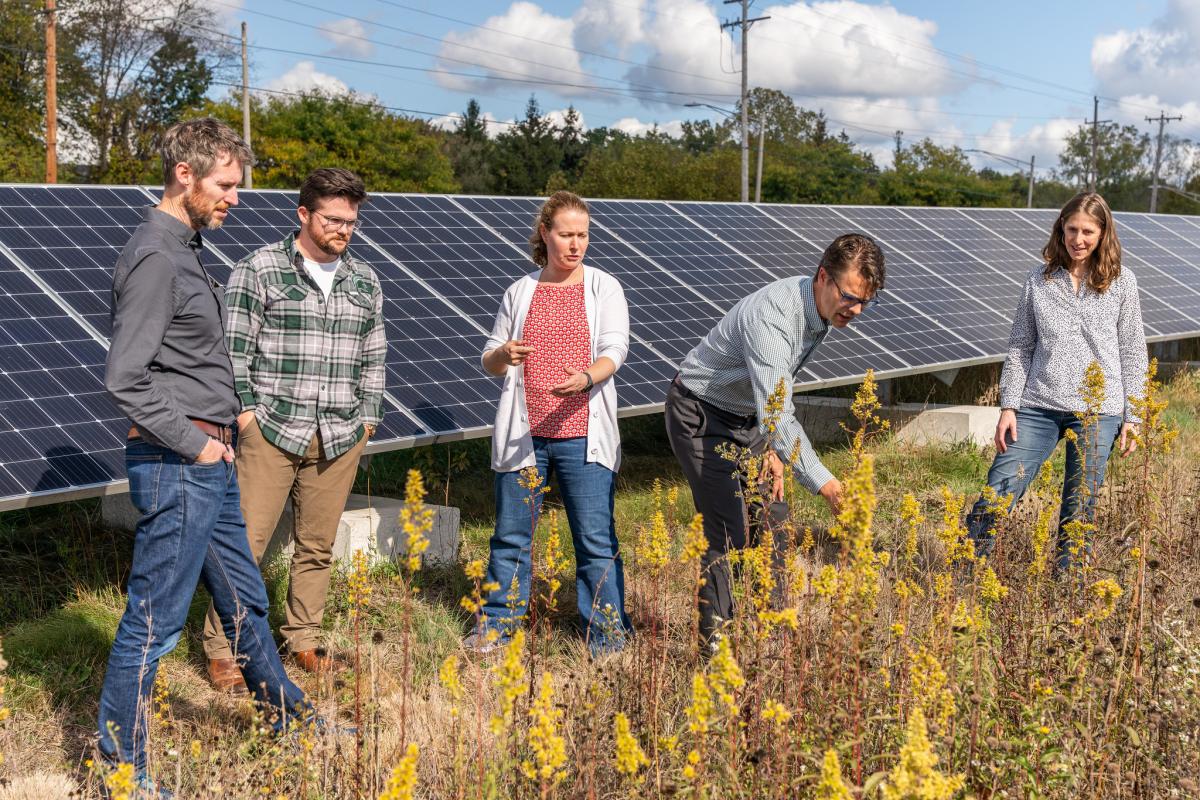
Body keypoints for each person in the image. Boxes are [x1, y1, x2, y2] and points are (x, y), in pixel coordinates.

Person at [99, 118, 309, 792]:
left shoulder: (185, 249)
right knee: (155, 621)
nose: (236, 198)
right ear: (185, 174)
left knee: (245, 598)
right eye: (225, 184)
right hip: (178, 460)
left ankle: (288, 717)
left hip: (203, 461)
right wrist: (198, 446)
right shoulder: (157, 255)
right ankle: (119, 770)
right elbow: (125, 376)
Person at [201, 168, 386, 690]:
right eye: (332, 219)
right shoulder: (258, 269)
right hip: (272, 430)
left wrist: (367, 416)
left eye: (351, 221)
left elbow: (374, 355)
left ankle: (302, 640)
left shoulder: (364, 280)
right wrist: (247, 415)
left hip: (341, 433)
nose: (343, 229)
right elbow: (232, 351)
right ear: (303, 214)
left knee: (317, 545)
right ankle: (222, 649)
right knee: (246, 544)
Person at [666, 234, 885, 648]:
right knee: (727, 528)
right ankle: (718, 647)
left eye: (864, 302)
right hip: (701, 413)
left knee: (772, 518)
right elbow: (778, 411)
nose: (855, 310)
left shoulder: (819, 310)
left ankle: (771, 638)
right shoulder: (774, 316)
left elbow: (774, 393)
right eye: (850, 297)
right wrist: (827, 485)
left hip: (748, 418)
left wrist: (771, 447)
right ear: (823, 276)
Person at [467, 191, 632, 656]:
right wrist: (503, 355)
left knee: (595, 539)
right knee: (511, 536)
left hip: (584, 437)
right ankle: (497, 627)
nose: (575, 244)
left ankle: (606, 636)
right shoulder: (521, 291)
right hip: (527, 436)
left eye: (583, 235)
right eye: (566, 234)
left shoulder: (604, 287)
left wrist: (585, 379)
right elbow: (491, 357)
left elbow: (615, 350)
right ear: (545, 233)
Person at [966, 191, 1146, 573]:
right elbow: (1020, 346)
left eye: (1088, 232)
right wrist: (1008, 407)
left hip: (1100, 410)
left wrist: (1135, 416)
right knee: (1000, 487)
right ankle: (963, 574)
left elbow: (1132, 350)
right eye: (1071, 229)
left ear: (1103, 234)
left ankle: (1068, 588)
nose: (1078, 240)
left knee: (1080, 504)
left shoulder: (1122, 282)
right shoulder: (1038, 281)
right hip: (1037, 405)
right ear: (1060, 229)